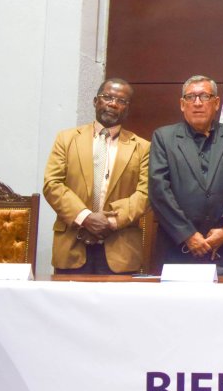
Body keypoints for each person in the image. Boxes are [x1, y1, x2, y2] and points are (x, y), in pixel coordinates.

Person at [42, 78, 149, 274]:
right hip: (72, 244)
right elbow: (52, 184)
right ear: (95, 101)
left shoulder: (142, 147)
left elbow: (145, 194)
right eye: (107, 97)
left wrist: (110, 222)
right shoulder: (66, 139)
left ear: (127, 108)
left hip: (121, 249)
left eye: (121, 101)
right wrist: (86, 218)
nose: (113, 104)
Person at [148, 75, 223, 275]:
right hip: (177, 250)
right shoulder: (164, 137)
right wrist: (188, 235)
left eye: (204, 96)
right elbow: (159, 191)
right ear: (182, 105)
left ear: (217, 103)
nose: (198, 103)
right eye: (191, 97)